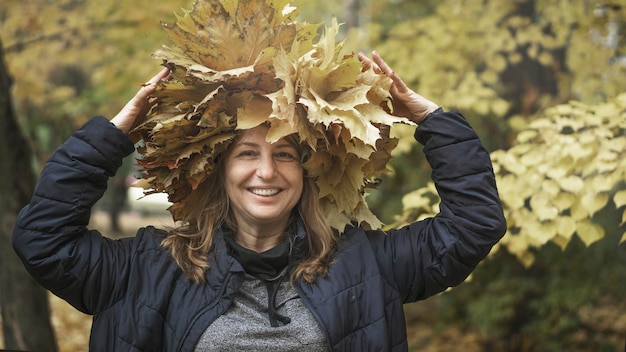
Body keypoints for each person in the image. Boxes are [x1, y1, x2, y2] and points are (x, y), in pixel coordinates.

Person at [12, 52, 506, 351]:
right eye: (247, 153)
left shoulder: (364, 264)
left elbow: (472, 226)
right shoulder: (146, 269)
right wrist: (111, 136)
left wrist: (433, 120)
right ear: (221, 171)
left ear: (306, 175)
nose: (266, 172)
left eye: (285, 155)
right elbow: (43, 241)